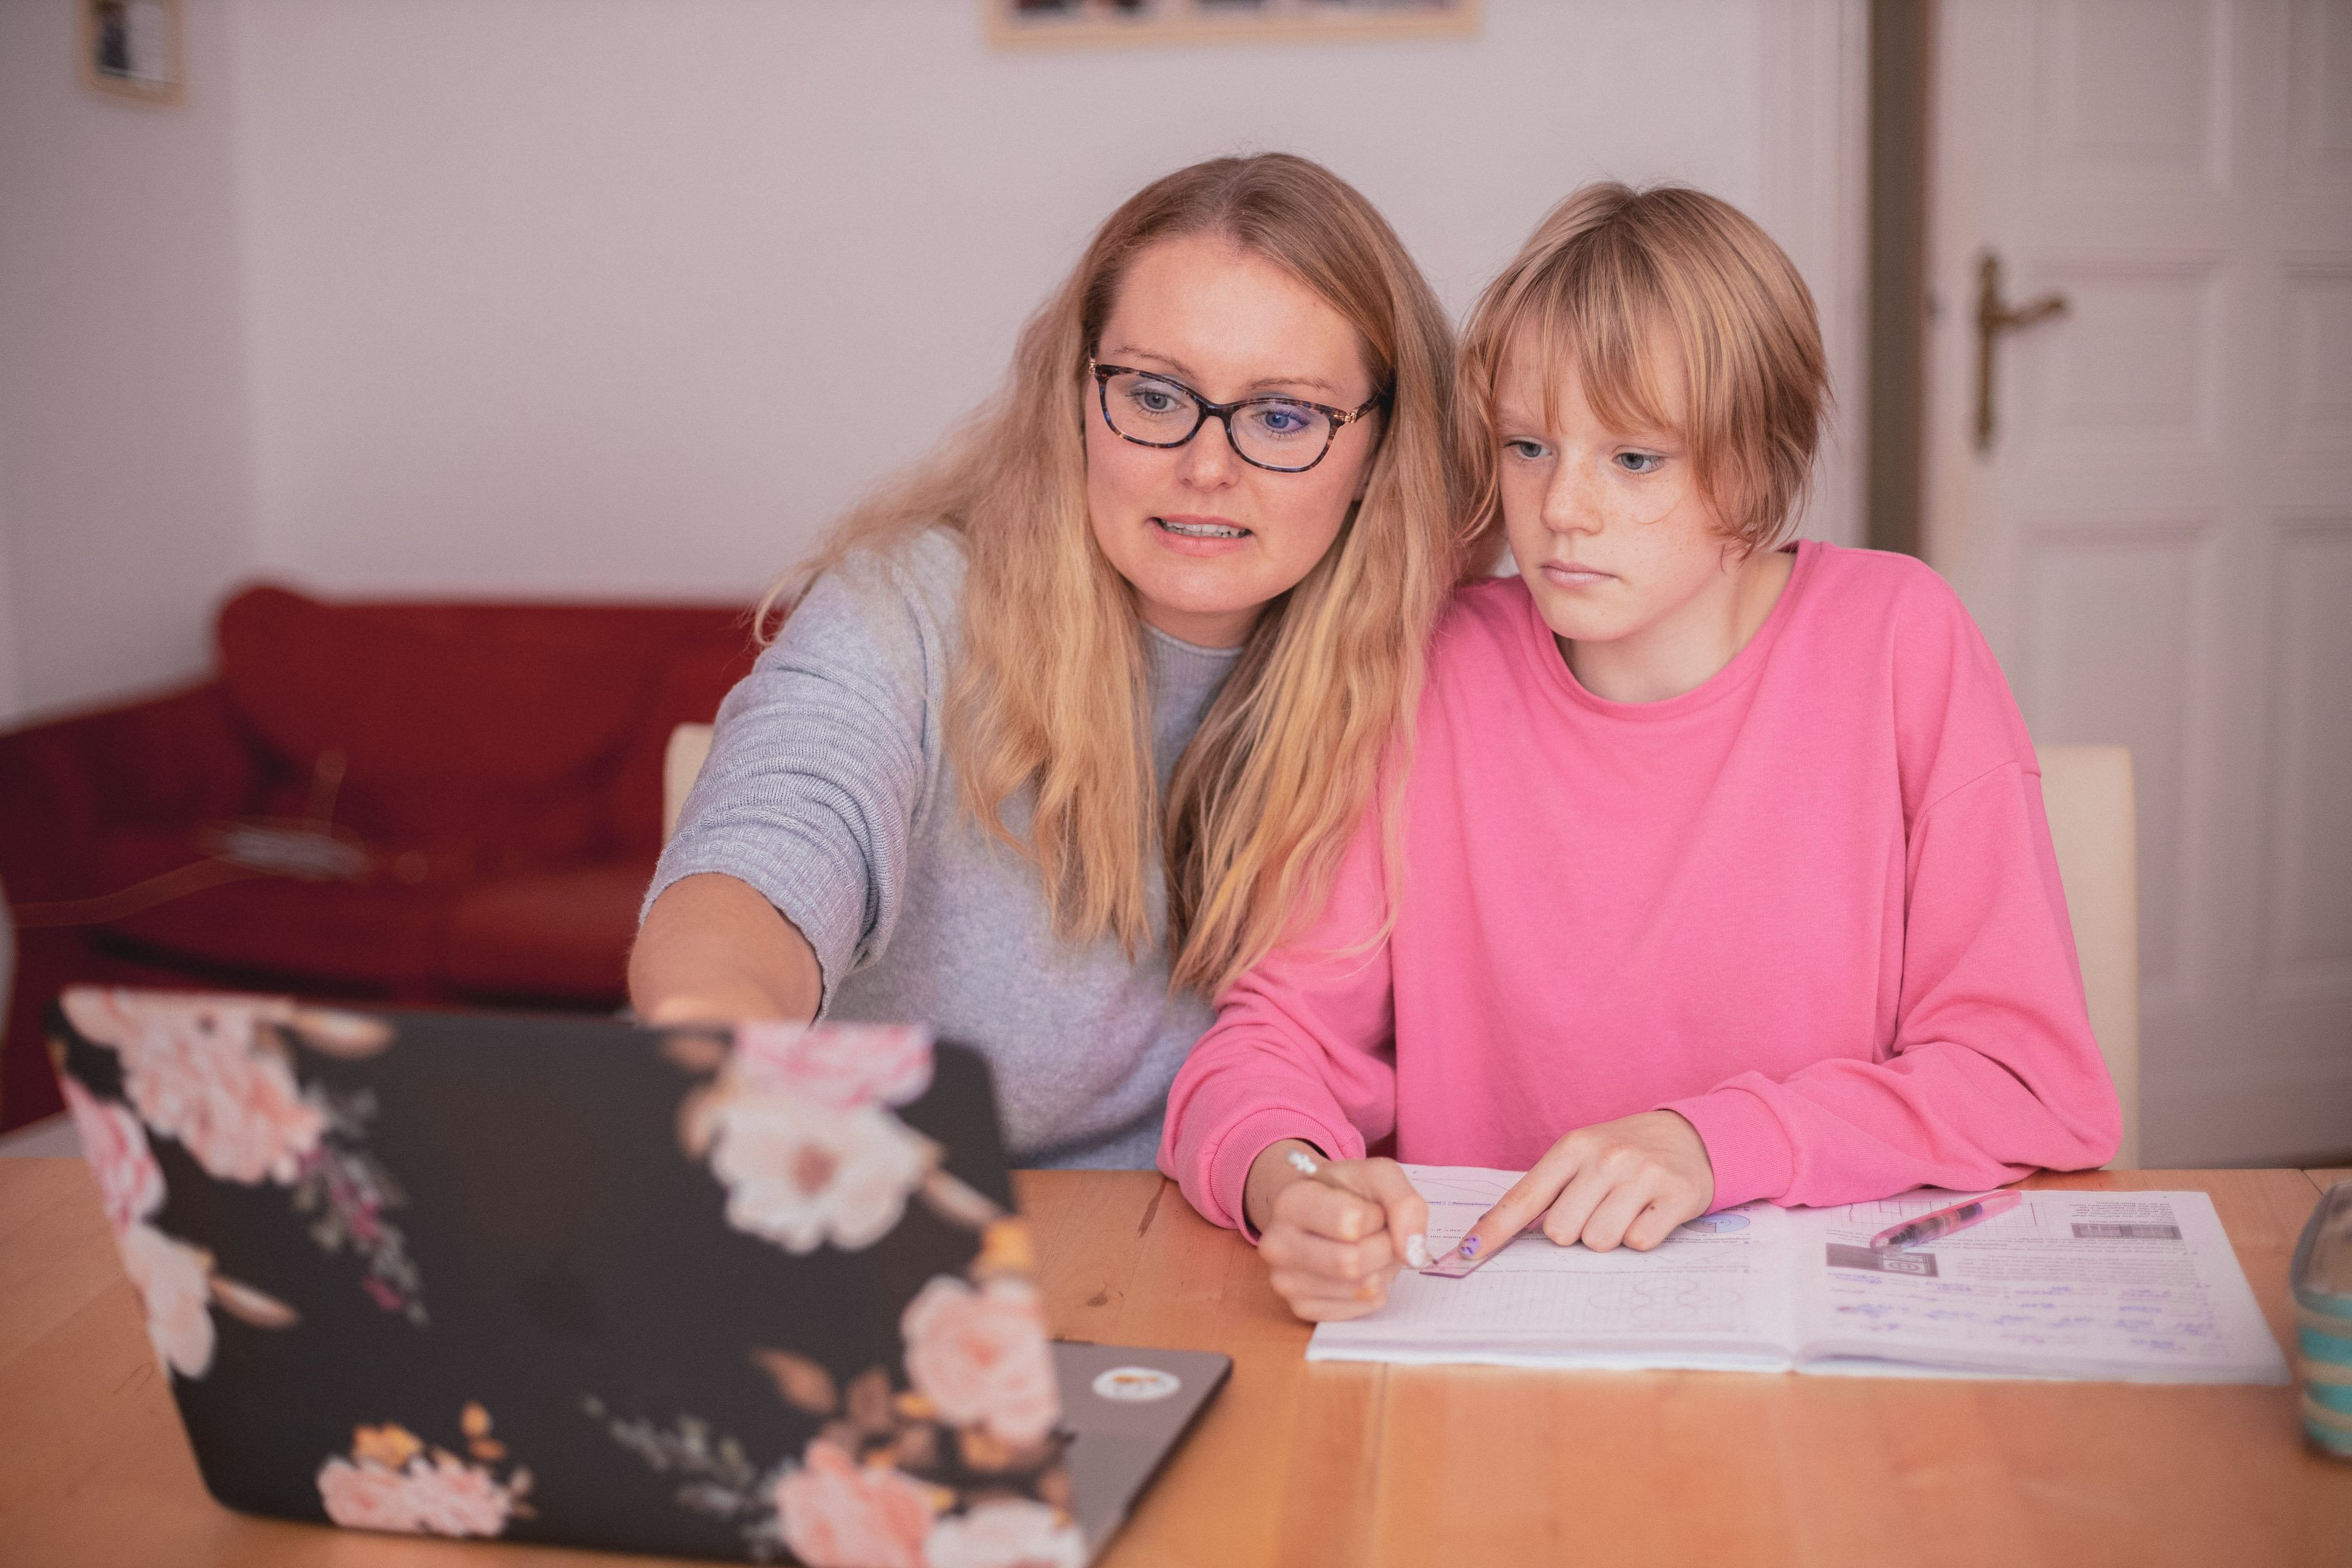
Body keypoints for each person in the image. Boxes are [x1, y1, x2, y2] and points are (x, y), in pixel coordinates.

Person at [1159, 183, 2122, 1318]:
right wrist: (1293, 1184)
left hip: (1817, 1351)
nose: (1563, 506)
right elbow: (1271, 1043)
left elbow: (2026, 1085)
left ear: (1756, 469)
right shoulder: (1432, 667)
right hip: (1489, 1342)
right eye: (1529, 445)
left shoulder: (1898, 639)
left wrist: (1714, 1144)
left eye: (1636, 460)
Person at [630, 154, 1463, 1169]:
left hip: (1194, 1247)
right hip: (864, 1214)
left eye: (1283, 416)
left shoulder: (1436, 673)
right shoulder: (910, 608)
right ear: (1076, 396)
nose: (1207, 466)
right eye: (1156, 397)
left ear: (1380, 442)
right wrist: (718, 1027)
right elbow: (769, 844)